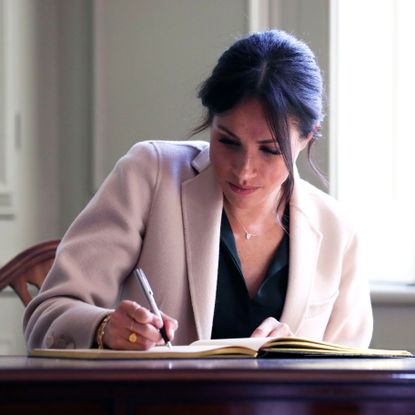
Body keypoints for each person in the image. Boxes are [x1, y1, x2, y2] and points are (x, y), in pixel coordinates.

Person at [24, 30, 373, 351]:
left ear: (308, 137)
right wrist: (104, 327)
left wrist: (298, 356)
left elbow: (354, 375)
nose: (244, 170)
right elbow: (48, 312)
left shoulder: (336, 230)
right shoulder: (149, 175)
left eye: (269, 149)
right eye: (227, 141)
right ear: (211, 121)